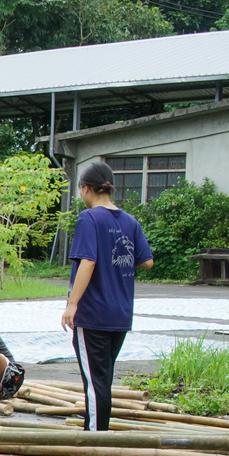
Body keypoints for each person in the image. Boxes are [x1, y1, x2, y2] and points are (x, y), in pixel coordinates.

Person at [63, 160, 153, 431]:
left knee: (94, 382)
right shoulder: (130, 221)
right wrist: (115, 261)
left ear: (85, 189)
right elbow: (147, 261)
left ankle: (94, 439)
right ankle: (99, 432)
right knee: (103, 379)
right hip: (121, 313)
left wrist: (72, 304)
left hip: (94, 314)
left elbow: (87, 263)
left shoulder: (88, 218)